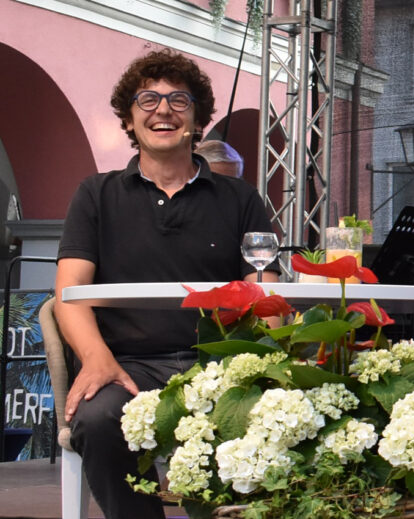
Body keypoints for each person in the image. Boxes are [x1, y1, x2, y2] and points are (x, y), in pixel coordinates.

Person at [53, 49, 279, 519]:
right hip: (127, 366)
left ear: (197, 120)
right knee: (97, 420)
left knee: (278, 416)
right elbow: (68, 293)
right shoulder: (95, 194)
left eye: (179, 100)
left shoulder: (240, 198)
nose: (163, 110)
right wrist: (96, 359)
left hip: (217, 365)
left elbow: (265, 292)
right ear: (128, 118)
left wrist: (269, 363)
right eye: (148, 99)